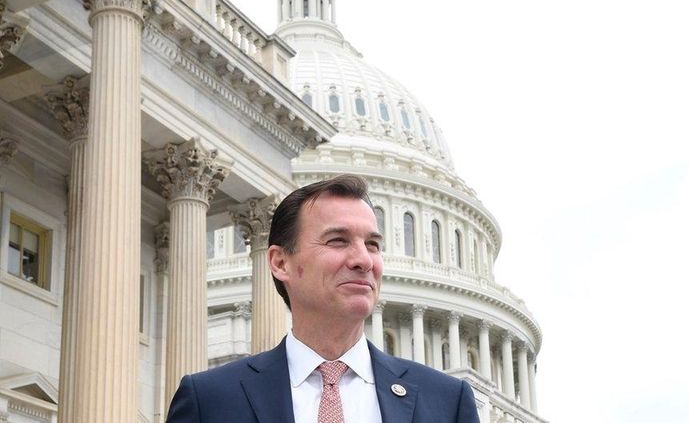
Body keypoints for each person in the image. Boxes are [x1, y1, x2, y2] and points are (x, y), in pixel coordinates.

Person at [166, 174, 480, 423]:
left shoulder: (446, 403)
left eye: (372, 244)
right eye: (338, 241)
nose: (363, 260)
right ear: (280, 262)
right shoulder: (210, 401)